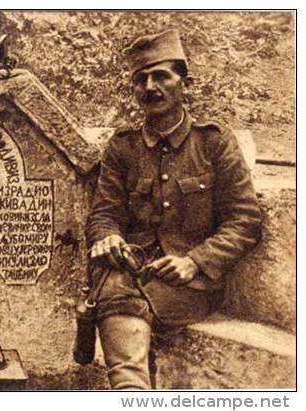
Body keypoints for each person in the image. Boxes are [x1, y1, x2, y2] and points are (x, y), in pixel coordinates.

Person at [84, 29, 262, 389]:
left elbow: (246, 219)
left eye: (161, 76)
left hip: (192, 284)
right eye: (141, 80)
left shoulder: (213, 143)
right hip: (130, 270)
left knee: (117, 300)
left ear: (185, 83)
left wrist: (195, 260)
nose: (150, 87)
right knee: (115, 288)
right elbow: (104, 213)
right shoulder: (123, 147)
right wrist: (108, 237)